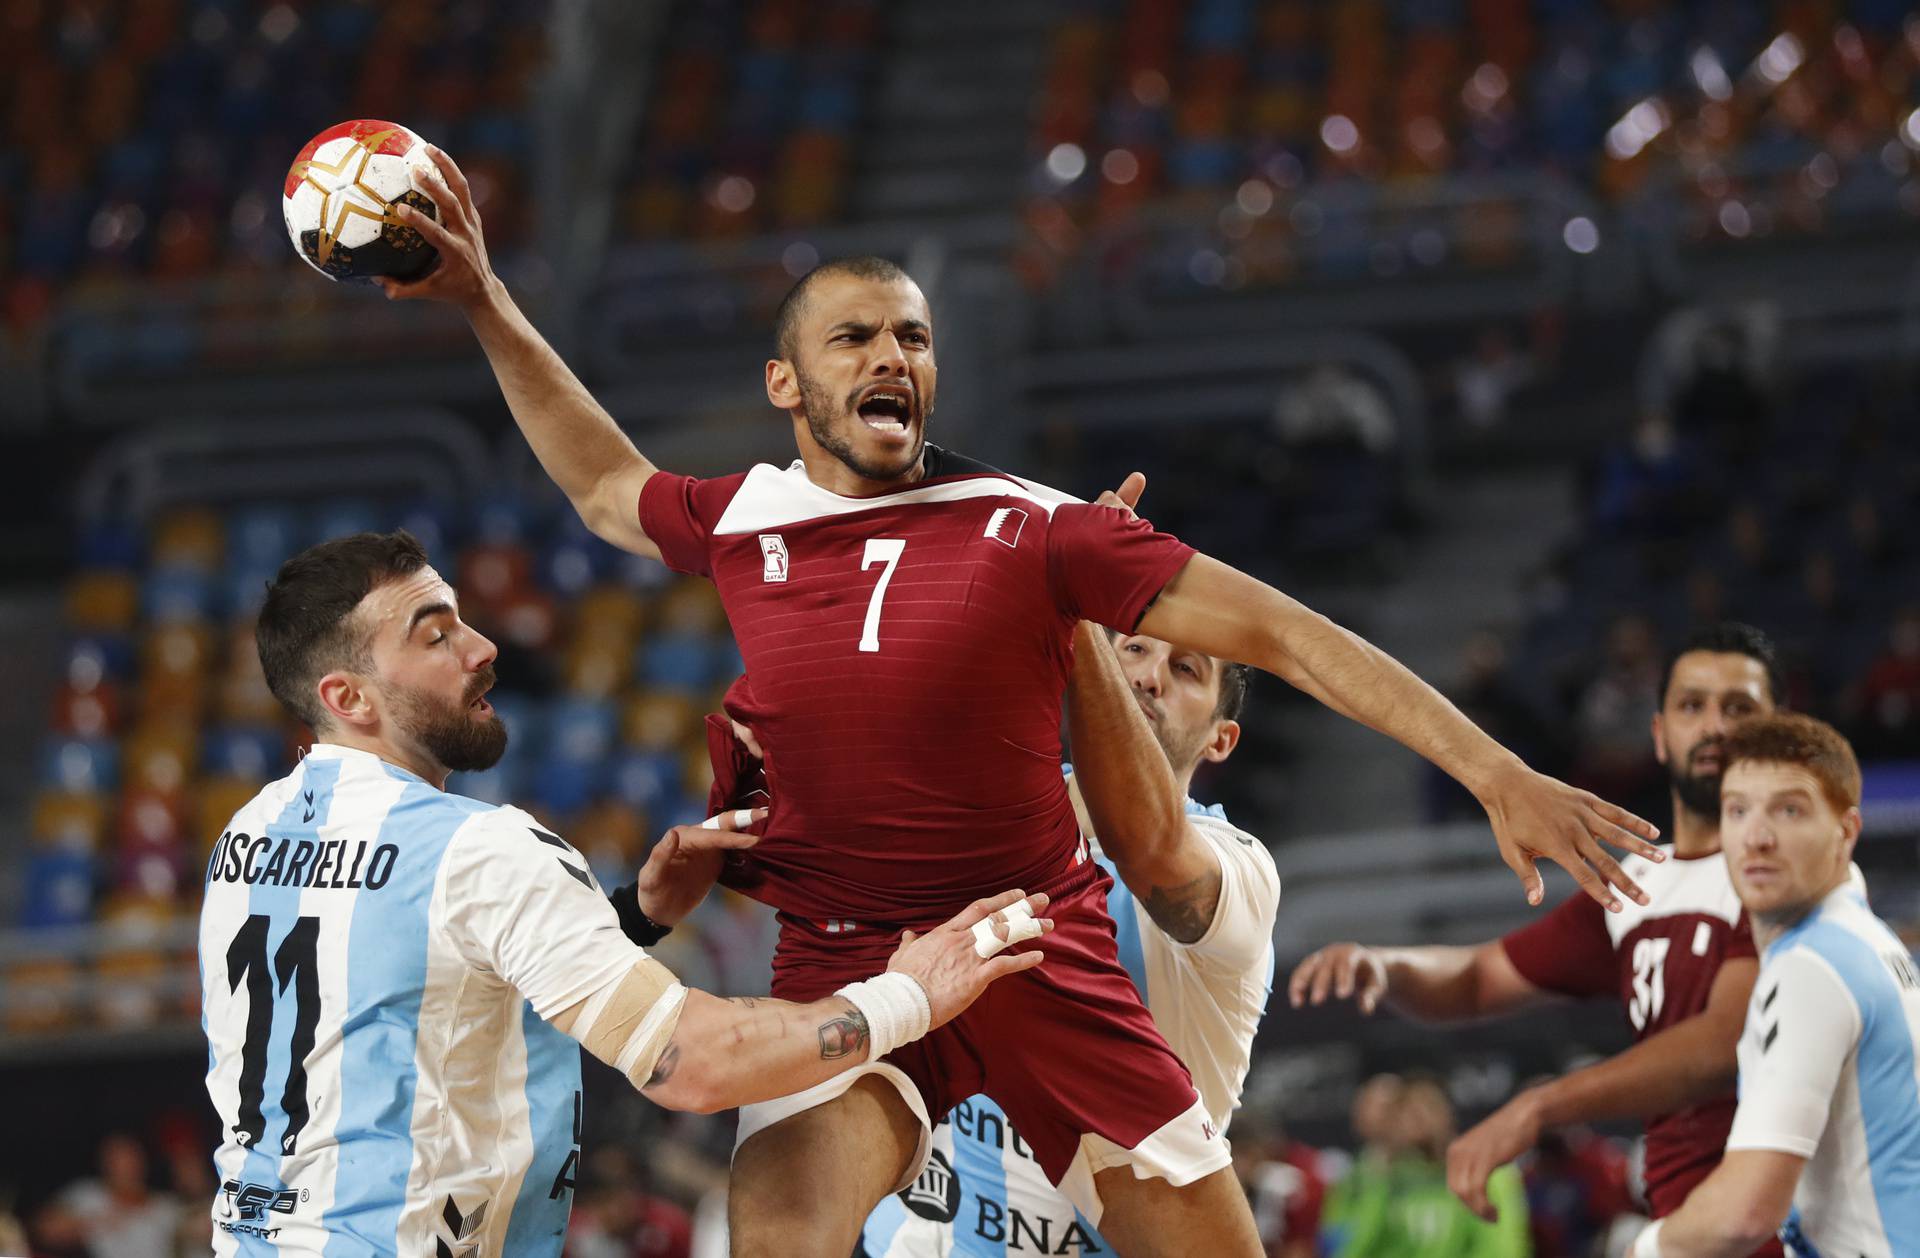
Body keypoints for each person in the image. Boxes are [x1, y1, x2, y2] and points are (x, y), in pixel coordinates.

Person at [381, 145, 1659, 1257]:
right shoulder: (746, 512)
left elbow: (1284, 631)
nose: (894, 357)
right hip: (852, 956)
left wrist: (1495, 770)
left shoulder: (1034, 527)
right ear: (789, 387)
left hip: (1040, 954)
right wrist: (488, 299)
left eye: (914, 338)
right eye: (857, 338)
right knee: (777, 1234)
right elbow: (608, 487)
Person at [198, 532, 1050, 1256]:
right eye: (435, 635)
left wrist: (632, 919)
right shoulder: (481, 849)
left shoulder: (245, 838)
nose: (483, 646)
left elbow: (432, 993)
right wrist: (909, 995)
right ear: (346, 697)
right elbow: (695, 1066)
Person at [1291, 624, 1784, 1242]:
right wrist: (1386, 966)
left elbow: (1719, 1048)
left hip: (1794, 1224)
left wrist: (1541, 1106)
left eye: (1738, 708)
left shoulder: (1788, 869)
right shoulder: (1637, 889)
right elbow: (1477, 980)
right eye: (1692, 705)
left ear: (1781, 736)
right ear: (1658, 735)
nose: (1714, 726)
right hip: (1696, 1227)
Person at [858, 622, 1279, 1255]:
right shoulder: (981, 812)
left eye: (1186, 669)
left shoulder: (1238, 868)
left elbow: (1153, 854)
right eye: (1134, 650)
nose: (1148, 676)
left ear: (1221, 740)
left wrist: (1070, 602)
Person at [1630, 714, 1918, 1258]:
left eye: (1789, 810)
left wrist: (1644, 1248)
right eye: (1738, 810)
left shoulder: (1812, 966)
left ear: (1847, 831)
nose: (1757, 838)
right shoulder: (1865, 942)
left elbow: (1746, 1211)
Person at [1320, 1077, 1529, 1258]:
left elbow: (1503, 1250)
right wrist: (1380, 1179)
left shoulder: (1486, 1171)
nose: (1416, 1121)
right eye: (1404, 1114)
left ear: (1446, 1114)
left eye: (1426, 1109)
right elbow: (1358, 1248)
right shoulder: (1388, 1179)